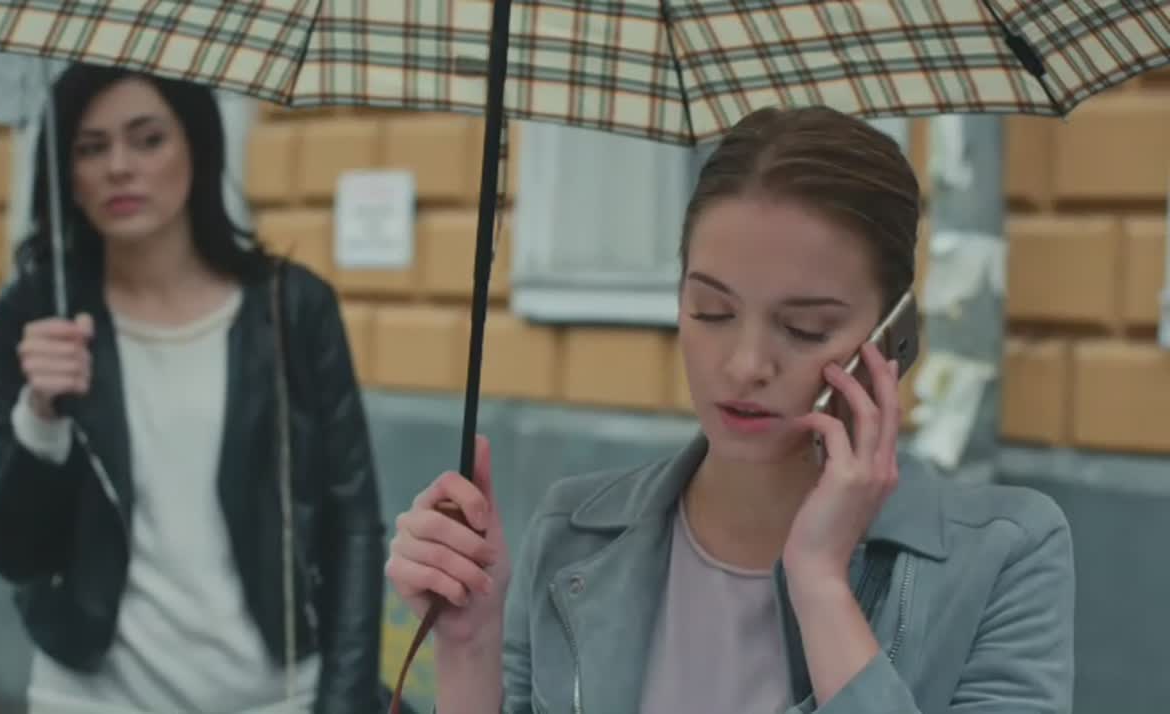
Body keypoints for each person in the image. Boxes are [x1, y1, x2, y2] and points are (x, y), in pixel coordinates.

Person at [385, 106, 1075, 713]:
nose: (746, 364)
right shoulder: (575, 535)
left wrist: (820, 585)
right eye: (711, 311)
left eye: (804, 328)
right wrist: (468, 647)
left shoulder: (1005, 555)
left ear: (893, 337)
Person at [0, 63, 386, 714]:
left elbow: (354, 524)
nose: (119, 167)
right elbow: (13, 551)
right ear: (66, 174)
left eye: (148, 139)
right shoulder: (36, 315)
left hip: (273, 698)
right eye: (90, 148)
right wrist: (42, 416)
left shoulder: (291, 308)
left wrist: (345, 702)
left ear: (197, 146)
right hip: (92, 700)